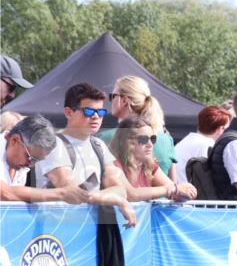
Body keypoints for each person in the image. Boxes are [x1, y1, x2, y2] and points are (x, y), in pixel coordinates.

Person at [30, 84, 136, 226]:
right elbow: (73, 194)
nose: (96, 116)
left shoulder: (99, 145)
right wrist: (114, 199)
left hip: (86, 229)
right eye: (88, 111)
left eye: (101, 112)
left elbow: (120, 190)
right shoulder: (52, 144)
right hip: (54, 229)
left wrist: (114, 196)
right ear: (68, 112)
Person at [1, 115, 90, 203]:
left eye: (36, 160)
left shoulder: (17, 158)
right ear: (14, 140)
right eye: (30, 157)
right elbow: (4, 193)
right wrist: (62, 194)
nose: (31, 165)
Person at [105, 76, 179, 181]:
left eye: (112, 96)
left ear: (125, 101)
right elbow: (174, 185)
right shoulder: (167, 140)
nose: (110, 100)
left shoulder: (103, 138)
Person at [108, 116, 197, 201]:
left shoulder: (148, 165)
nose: (150, 144)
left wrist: (186, 191)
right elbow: (130, 195)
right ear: (126, 142)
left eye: (153, 139)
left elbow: (174, 192)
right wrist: (171, 189)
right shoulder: (113, 165)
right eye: (143, 139)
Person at [174, 106, 231, 184]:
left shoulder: (188, 139)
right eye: (226, 128)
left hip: (178, 188)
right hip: (187, 190)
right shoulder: (208, 145)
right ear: (220, 128)